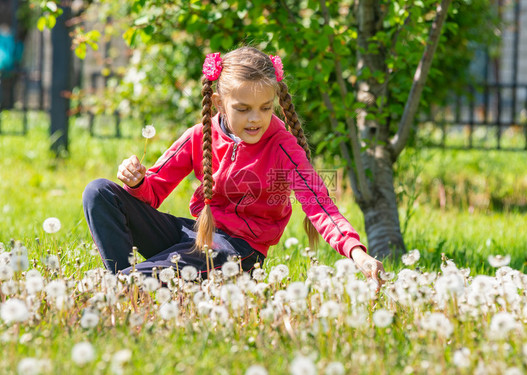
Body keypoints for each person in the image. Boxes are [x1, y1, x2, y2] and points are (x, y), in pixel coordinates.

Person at [82, 46, 384, 283]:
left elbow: (319, 204)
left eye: (265, 108)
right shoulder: (201, 135)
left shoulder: (283, 146)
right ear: (218, 103)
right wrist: (136, 182)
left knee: (146, 277)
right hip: (196, 235)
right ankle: (121, 285)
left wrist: (357, 253)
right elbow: (152, 192)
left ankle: (126, 286)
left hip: (238, 253)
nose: (255, 118)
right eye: (243, 109)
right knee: (99, 192)